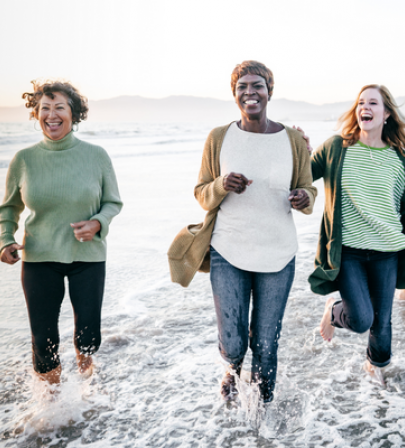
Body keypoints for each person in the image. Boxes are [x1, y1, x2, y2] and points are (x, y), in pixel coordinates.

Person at [178, 61, 316, 403]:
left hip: (278, 253)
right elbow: (201, 192)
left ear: (270, 90)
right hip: (229, 250)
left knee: (266, 343)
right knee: (235, 341)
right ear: (234, 94)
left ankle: (262, 418)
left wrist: (302, 197)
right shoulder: (219, 137)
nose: (250, 93)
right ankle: (231, 370)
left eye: (257, 86)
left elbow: (308, 190)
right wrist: (222, 184)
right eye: (242, 87)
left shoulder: (294, 140)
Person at [309, 84, 405, 385]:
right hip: (349, 252)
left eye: (373, 103)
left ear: (387, 113)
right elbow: (300, 176)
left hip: (387, 252)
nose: (365, 107)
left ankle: (377, 373)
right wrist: (297, 147)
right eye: (361, 102)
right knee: (362, 319)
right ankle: (334, 309)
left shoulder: (397, 158)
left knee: (383, 323)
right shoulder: (337, 148)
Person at [0, 80, 122, 385]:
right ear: (36, 114)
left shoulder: (96, 156)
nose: (52, 115)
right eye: (45, 108)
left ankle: (86, 393)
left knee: (89, 335)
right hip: (40, 258)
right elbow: (9, 209)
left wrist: (96, 224)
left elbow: (112, 202)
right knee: (44, 340)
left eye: (60, 108)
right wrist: (5, 241)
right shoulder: (24, 160)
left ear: (74, 113)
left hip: (87, 257)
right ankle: (50, 410)